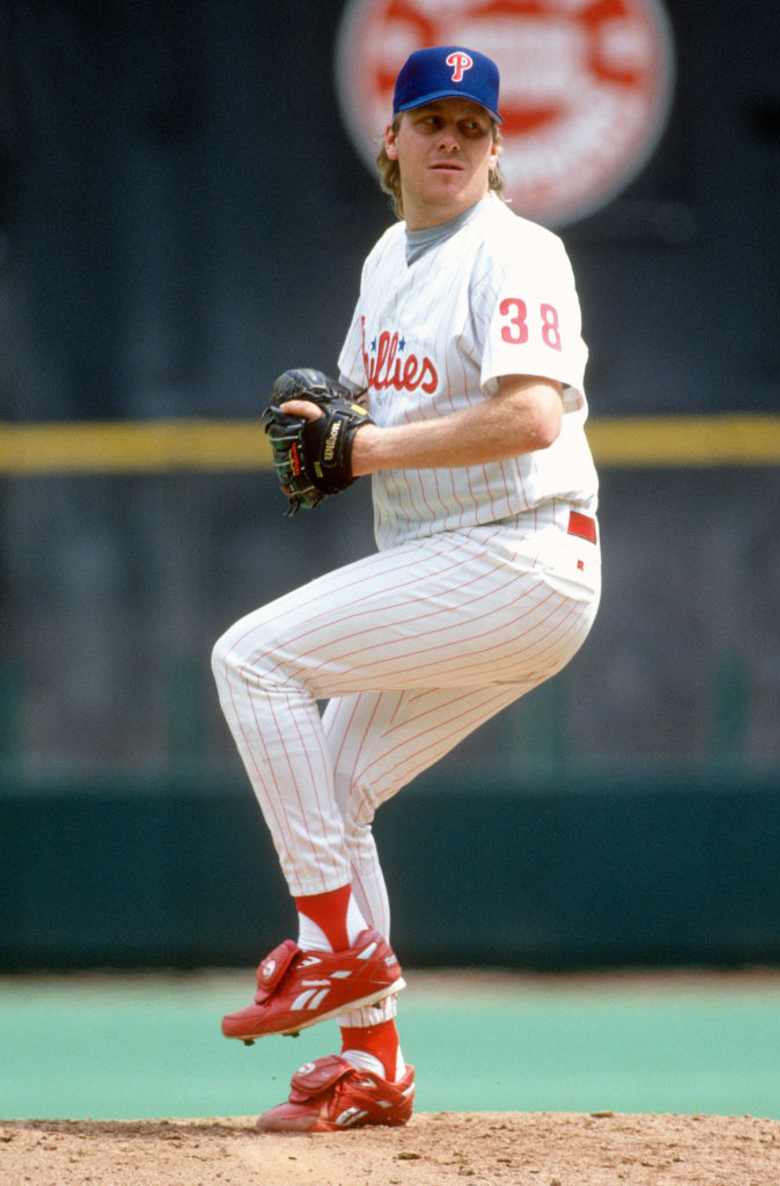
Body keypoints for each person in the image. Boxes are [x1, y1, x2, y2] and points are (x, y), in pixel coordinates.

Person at [211, 45, 601, 1133]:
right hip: (453, 561)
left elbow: (529, 416)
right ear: (389, 138)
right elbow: (349, 406)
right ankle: (369, 1065)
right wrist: (324, 426)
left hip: (517, 550)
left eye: (471, 127)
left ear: (494, 148)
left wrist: (362, 448)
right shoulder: (389, 257)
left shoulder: (515, 252)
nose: (449, 141)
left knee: (249, 657)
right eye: (429, 121)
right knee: (330, 786)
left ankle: (335, 953)